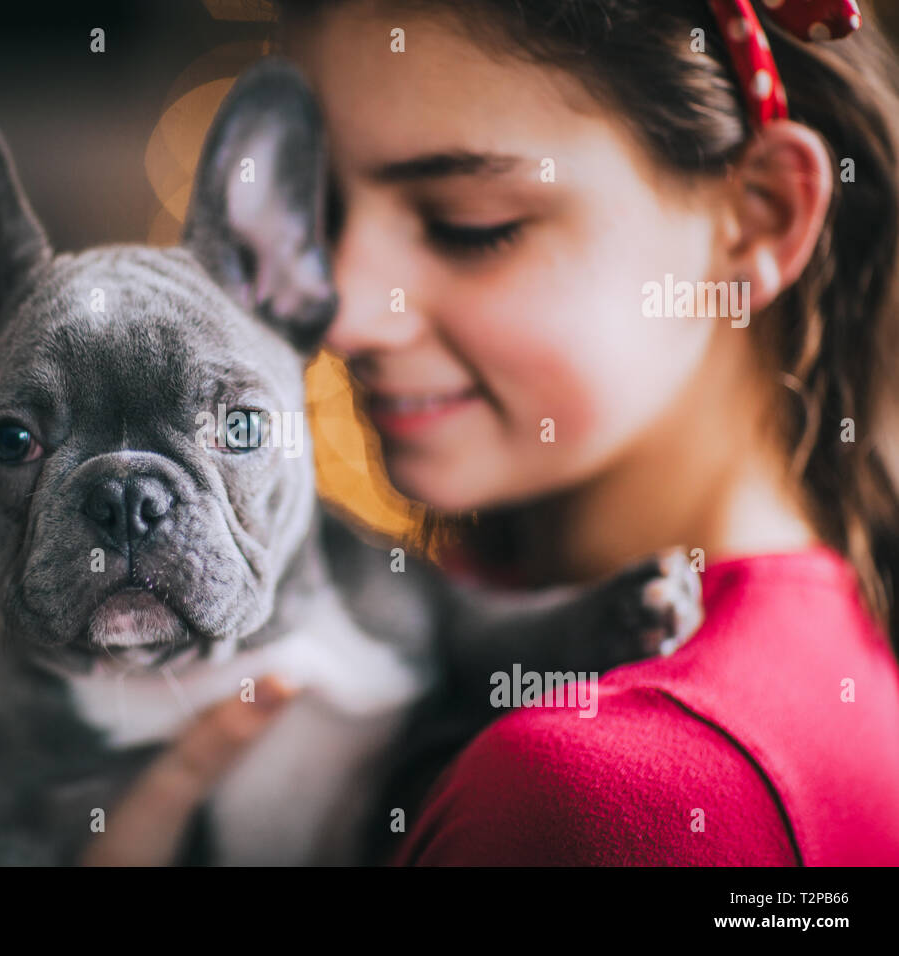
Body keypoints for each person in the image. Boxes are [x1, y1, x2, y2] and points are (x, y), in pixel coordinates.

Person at [86, 0, 899, 865]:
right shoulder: (833, 648)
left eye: (470, 226)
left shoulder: (596, 795)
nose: (347, 315)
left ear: (761, 216)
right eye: (317, 215)